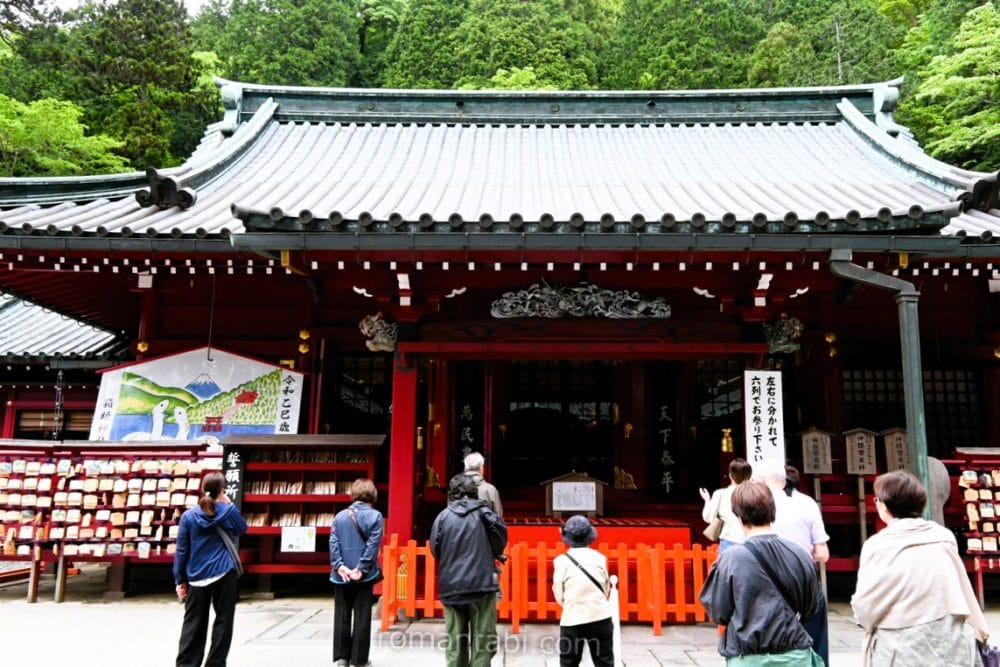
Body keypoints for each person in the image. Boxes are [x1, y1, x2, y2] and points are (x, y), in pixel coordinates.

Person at [851, 470, 989, 666]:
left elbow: (866, 604)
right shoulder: (944, 537)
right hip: (952, 642)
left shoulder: (877, 545)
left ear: (883, 504)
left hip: (899, 647)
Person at [699, 480, 822, 665]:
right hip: (795, 655)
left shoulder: (730, 558)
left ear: (739, 517)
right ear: (773, 512)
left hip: (747, 656)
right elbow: (811, 606)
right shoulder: (800, 555)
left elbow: (718, 612)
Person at [757, 459, 831, 666]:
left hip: (767, 581)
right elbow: (823, 554)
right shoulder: (807, 503)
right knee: (815, 638)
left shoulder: (759, 505)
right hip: (804, 581)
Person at [430, 473, 508, 667]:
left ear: (452, 494)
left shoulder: (442, 517)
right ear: (474, 492)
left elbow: (435, 548)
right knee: (483, 640)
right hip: (482, 583)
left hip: (452, 584)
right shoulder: (485, 514)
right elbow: (500, 540)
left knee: (455, 640)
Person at [174, 471, 248, 667]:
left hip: (196, 575)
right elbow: (242, 529)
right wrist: (229, 505)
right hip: (225, 572)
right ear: (222, 490)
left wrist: (179, 579)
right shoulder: (228, 511)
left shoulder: (189, 516)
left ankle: (187, 663)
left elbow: (182, 550)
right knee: (224, 621)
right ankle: (215, 663)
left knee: (193, 623)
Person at [329, 478, 384, 667]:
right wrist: (360, 568)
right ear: (372, 495)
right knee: (362, 615)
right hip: (364, 574)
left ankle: (342, 657)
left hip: (341, 574)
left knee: (342, 613)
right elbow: (372, 546)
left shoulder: (339, 517)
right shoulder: (375, 517)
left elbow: (333, 543)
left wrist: (339, 565)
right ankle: (359, 659)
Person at [552, 515, 614, 667]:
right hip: (600, 615)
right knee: (604, 660)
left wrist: (572, 604)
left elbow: (559, 594)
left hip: (573, 617)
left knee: (569, 662)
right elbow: (605, 589)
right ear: (589, 537)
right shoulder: (600, 558)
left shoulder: (561, 561)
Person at [699, 458, 752, 552]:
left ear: (730, 475)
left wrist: (707, 500)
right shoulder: (755, 494)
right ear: (749, 476)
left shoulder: (721, 494)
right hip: (751, 542)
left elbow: (708, 518)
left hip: (729, 542)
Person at [462, 451, 503, 518]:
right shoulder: (491, 490)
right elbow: (498, 519)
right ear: (481, 468)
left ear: (465, 467)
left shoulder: (455, 488)